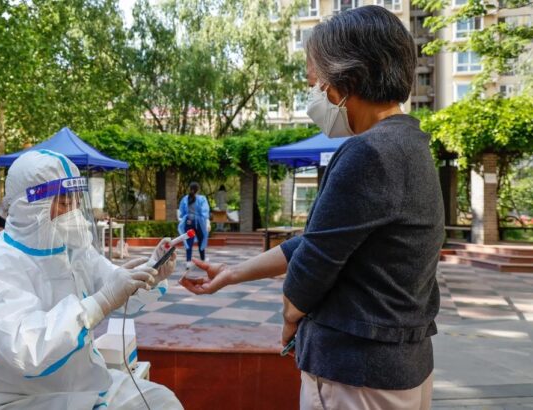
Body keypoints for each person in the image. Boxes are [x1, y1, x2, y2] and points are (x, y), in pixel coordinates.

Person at [181, 6, 442, 409]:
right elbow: (319, 242)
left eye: (316, 83)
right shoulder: (411, 144)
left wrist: (290, 317)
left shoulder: (366, 153)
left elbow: (310, 269)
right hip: (400, 367)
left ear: (346, 82)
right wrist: (232, 274)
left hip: (356, 376)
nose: (314, 95)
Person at [0, 150, 182, 410]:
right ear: (30, 207)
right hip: (17, 399)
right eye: (63, 201)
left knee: (162, 402)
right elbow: (26, 350)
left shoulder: (67, 249)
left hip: (80, 387)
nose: (73, 211)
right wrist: (102, 301)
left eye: (75, 200)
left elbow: (108, 279)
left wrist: (148, 274)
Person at [178, 182, 209, 269]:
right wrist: (206, 222)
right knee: (201, 240)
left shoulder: (185, 199)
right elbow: (204, 212)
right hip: (199, 223)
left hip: (188, 222)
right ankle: (203, 260)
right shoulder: (202, 199)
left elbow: (182, 212)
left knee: (188, 242)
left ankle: (188, 262)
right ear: (198, 189)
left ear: (190, 189)